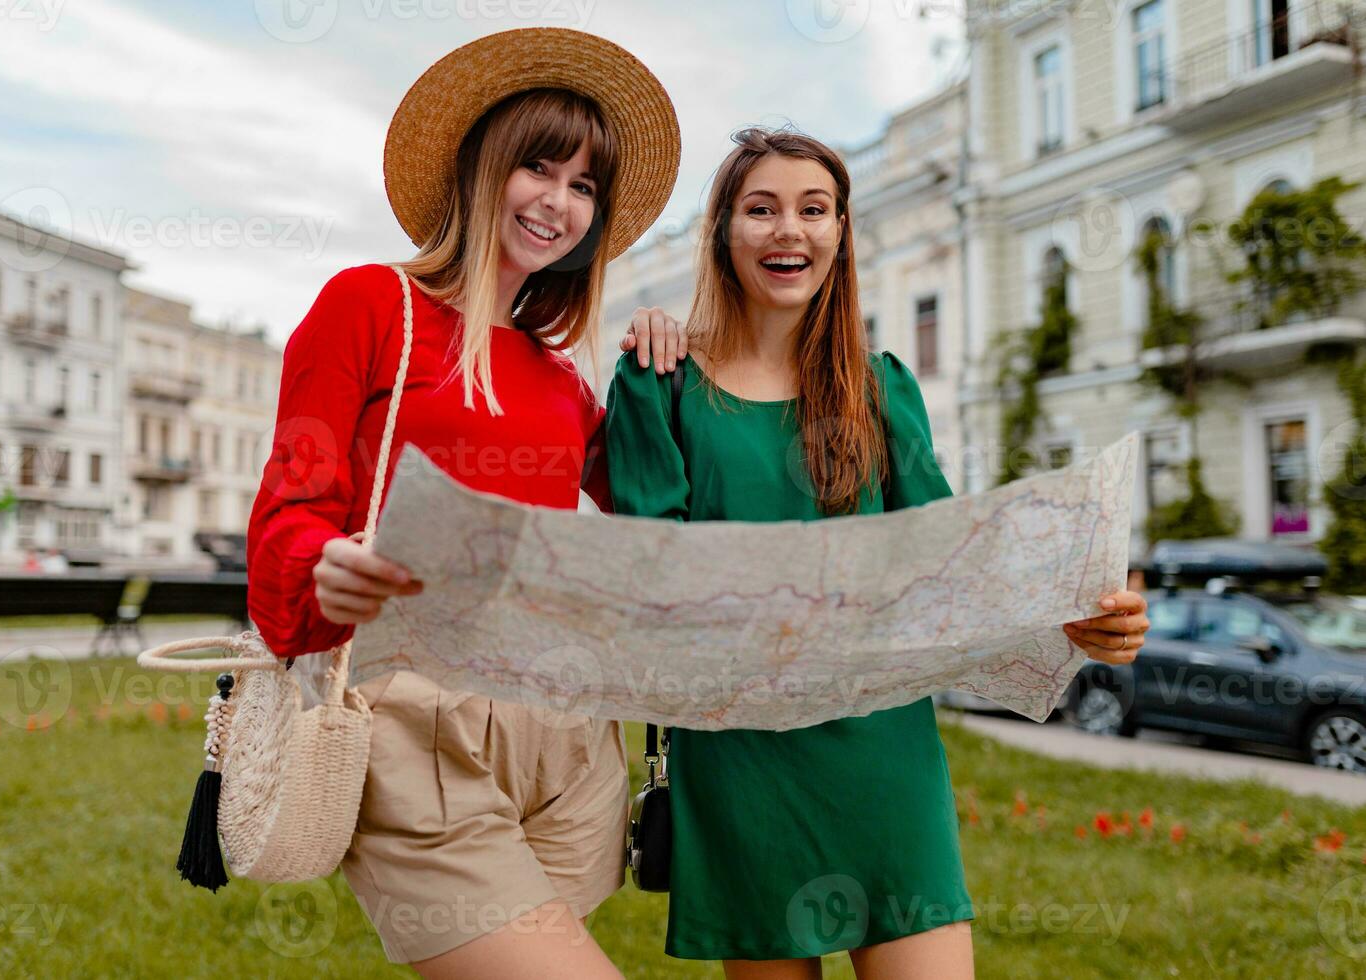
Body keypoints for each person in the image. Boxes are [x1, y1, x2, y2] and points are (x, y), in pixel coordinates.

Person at [604, 127, 1151, 980]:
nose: (790, 230)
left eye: (814, 210)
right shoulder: (659, 382)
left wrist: (1072, 613)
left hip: (881, 748)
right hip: (744, 753)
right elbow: (653, 576)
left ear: (841, 233)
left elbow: (950, 564)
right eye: (762, 210)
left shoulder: (881, 386)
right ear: (722, 232)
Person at [245, 28, 683, 980]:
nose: (559, 202)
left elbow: (669, 518)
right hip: (415, 731)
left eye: (584, 187)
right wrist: (326, 564)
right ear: (483, 168)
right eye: (539, 166)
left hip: (565, 744)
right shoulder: (367, 307)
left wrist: (670, 368)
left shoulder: (559, 378)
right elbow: (289, 512)